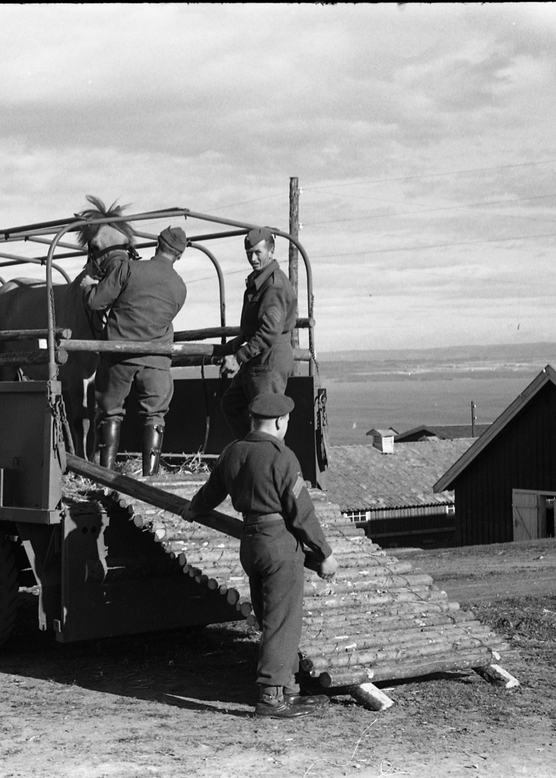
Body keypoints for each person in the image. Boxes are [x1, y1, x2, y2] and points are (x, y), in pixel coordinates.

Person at [182, 392, 338, 719]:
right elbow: (302, 513)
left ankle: (289, 689)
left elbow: (210, 493)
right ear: (280, 422)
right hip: (280, 545)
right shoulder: (282, 457)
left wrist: (192, 508)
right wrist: (324, 553)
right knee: (283, 622)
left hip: (249, 544)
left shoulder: (233, 452)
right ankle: (271, 697)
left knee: (271, 620)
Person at [84, 225, 189, 475]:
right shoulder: (180, 287)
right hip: (157, 360)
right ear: (180, 255)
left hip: (119, 355)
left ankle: (105, 477)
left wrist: (89, 286)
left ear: (157, 245)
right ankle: (150, 480)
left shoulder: (129, 268)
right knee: (155, 416)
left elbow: (96, 302)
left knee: (110, 413)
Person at [220, 226, 300, 439]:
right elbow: (256, 328)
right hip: (258, 358)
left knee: (267, 420)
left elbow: (268, 331)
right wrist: (238, 343)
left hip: (269, 359)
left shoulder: (273, 286)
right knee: (232, 404)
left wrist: (238, 357)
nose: (253, 258)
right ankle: (252, 451)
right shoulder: (260, 282)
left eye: (258, 253)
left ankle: (269, 462)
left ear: (271, 252)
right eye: (249, 253)